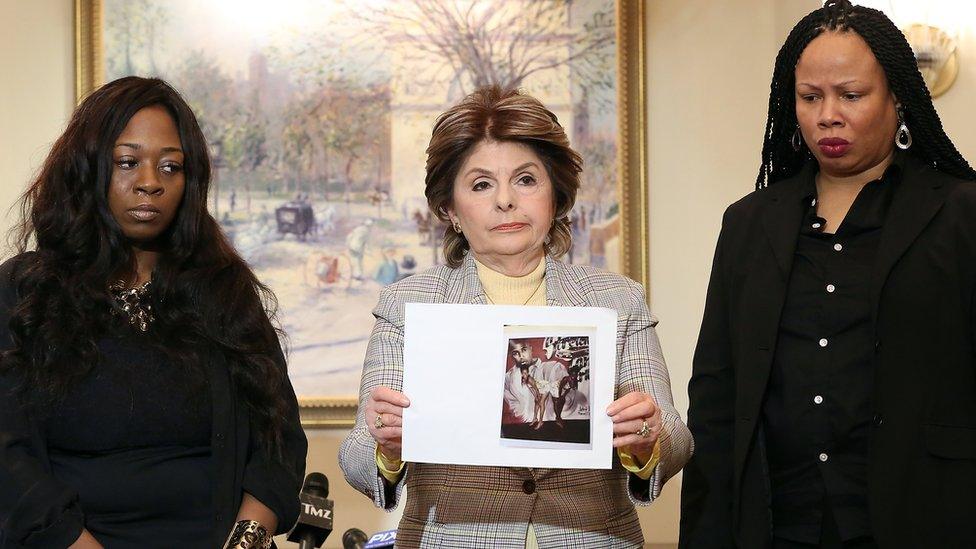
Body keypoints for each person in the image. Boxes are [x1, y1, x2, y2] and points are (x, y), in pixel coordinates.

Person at [339, 86, 692, 548]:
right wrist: (386, 445)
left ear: (555, 195)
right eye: (481, 184)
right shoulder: (407, 304)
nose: (505, 200)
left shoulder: (617, 299)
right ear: (450, 208)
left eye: (526, 180)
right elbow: (356, 457)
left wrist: (647, 438)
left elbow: (677, 439)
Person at [679, 2, 976, 548]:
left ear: (898, 99)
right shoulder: (749, 223)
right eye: (810, 97)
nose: (827, 115)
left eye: (851, 95)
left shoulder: (960, 214)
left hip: (926, 516)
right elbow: (717, 397)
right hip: (777, 524)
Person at [0, 77, 307, 549]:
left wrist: (244, 542)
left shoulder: (224, 291)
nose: (150, 183)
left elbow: (279, 439)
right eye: (127, 163)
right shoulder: (22, 292)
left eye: (170, 167)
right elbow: (8, 459)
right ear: (88, 170)